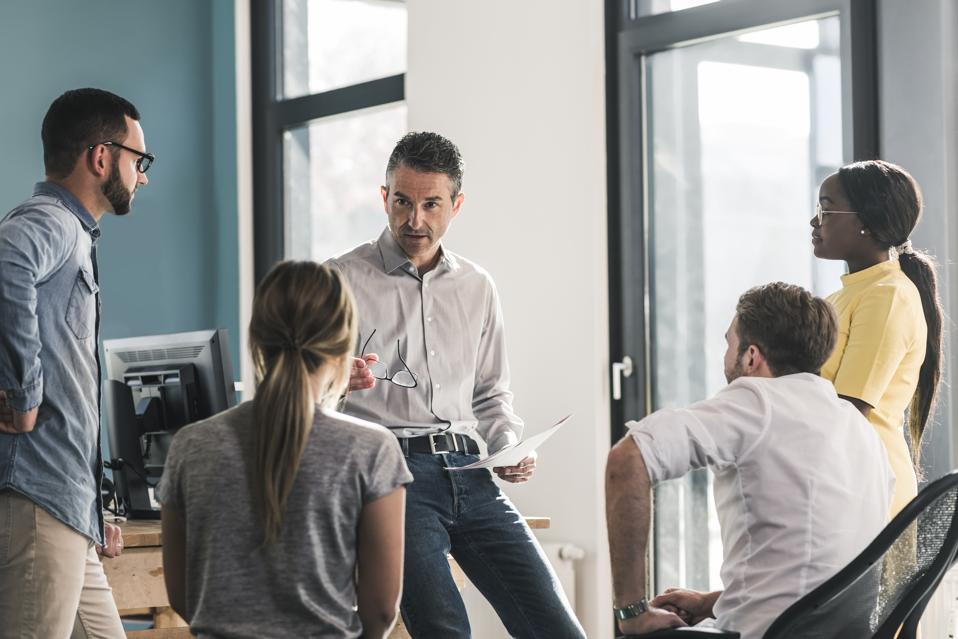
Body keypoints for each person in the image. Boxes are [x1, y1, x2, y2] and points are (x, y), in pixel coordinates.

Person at [329, 131, 585, 638]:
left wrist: (508, 446)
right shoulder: (339, 280)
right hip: (391, 478)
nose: (414, 220)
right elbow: (301, 400)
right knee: (445, 630)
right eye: (402, 202)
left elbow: (491, 395)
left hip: (472, 473)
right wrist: (337, 383)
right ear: (384, 196)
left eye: (431, 204)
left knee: (557, 627)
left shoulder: (477, 286)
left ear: (456, 205)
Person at [606, 282, 894, 638]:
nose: (725, 357)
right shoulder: (860, 430)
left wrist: (632, 612)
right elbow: (819, 572)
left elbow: (628, 459)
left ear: (751, 357)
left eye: (729, 343)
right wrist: (711, 602)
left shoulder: (757, 401)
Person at [157, 261, 412, 638]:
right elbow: (381, 609)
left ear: (257, 341)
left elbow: (184, 596)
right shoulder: (372, 449)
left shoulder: (191, 445)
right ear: (343, 345)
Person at [0, 88, 152, 638]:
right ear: (101, 157)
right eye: (139, 160)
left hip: (67, 507)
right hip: (38, 498)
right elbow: (7, 261)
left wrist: (94, 508)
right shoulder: (53, 221)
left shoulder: (73, 232)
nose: (143, 177)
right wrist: (24, 396)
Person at [811, 159, 942, 516]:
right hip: (840, 481)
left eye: (825, 210)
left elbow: (850, 411)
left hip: (870, 493)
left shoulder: (888, 296)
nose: (814, 222)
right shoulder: (843, 297)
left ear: (866, 222)